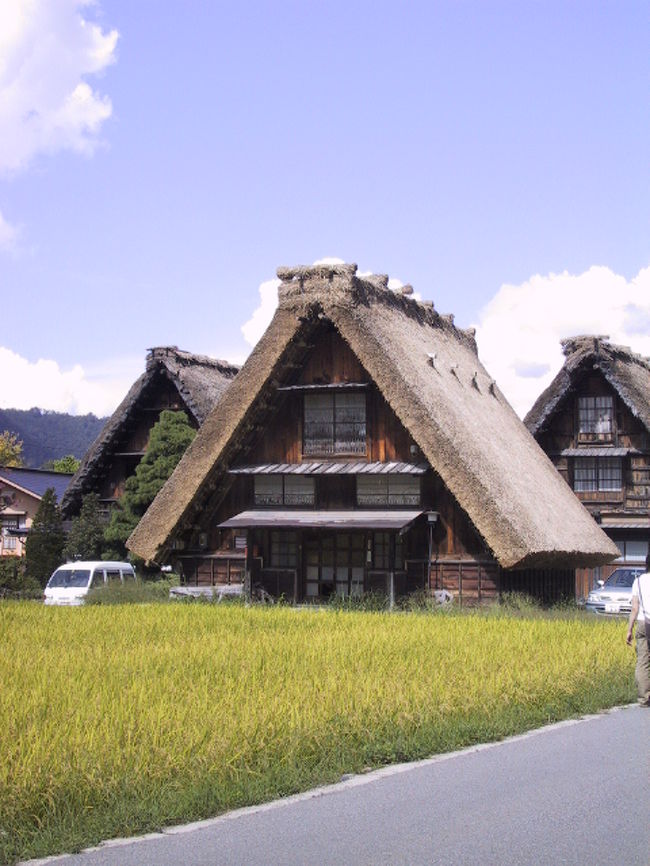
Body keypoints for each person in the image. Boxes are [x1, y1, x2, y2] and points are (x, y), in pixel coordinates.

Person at [625, 553, 650, 707]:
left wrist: (629, 630)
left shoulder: (638, 581)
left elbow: (635, 608)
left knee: (643, 661)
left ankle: (644, 698)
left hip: (642, 622)